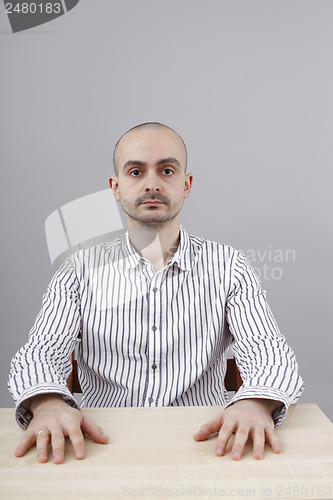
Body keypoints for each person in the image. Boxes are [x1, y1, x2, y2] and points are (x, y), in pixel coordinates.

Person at [8, 122, 304, 465]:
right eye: (136, 171)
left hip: (206, 446)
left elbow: (270, 353)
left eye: (167, 170)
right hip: (99, 447)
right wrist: (47, 403)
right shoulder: (78, 270)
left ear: (186, 184)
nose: (152, 184)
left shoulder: (230, 267)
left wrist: (255, 403)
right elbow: (40, 352)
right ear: (116, 188)